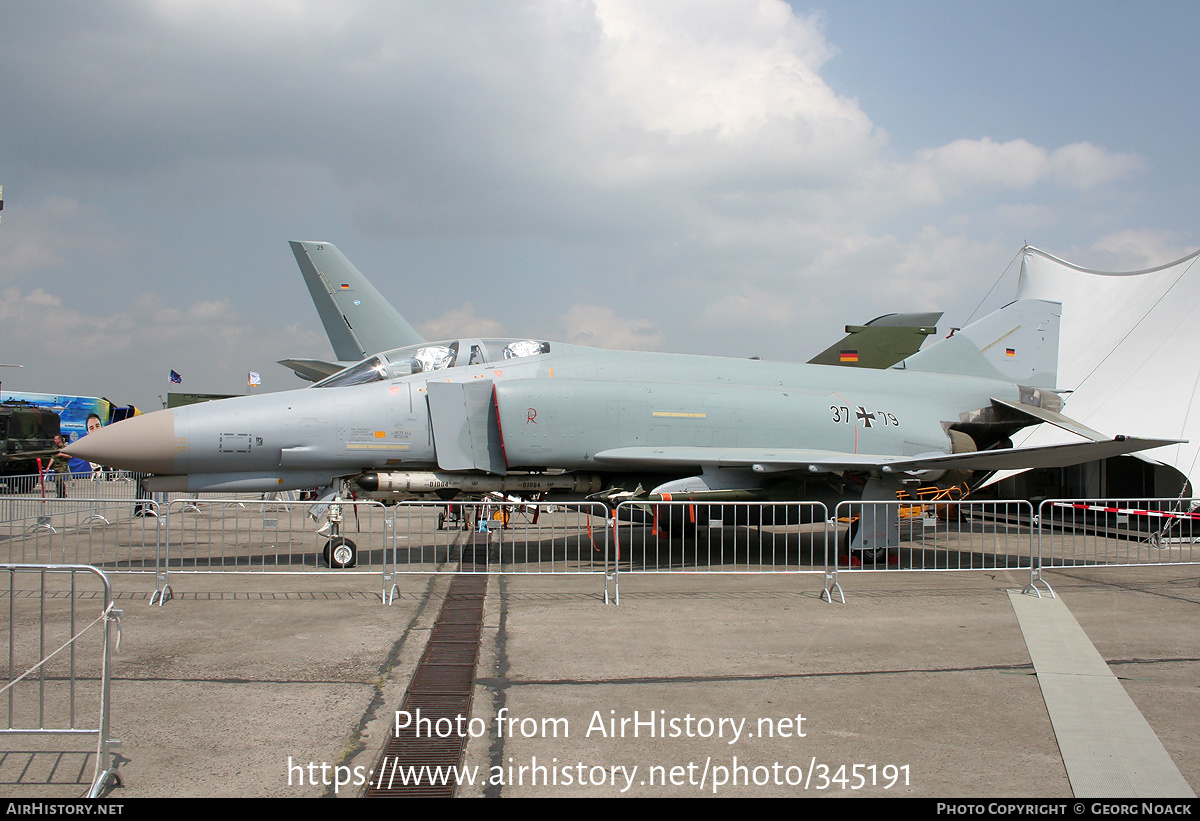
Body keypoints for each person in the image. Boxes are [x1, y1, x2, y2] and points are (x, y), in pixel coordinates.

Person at [50, 434, 70, 498]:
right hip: (56, 467)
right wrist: (48, 467)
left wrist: (62, 455)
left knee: (59, 480)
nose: (54, 441)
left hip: (62, 466)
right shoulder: (55, 448)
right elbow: (52, 458)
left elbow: (70, 456)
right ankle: (59, 494)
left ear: (59, 439)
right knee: (56, 481)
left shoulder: (65, 448)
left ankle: (62, 493)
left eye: (55, 439)